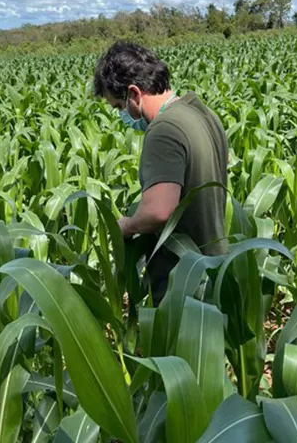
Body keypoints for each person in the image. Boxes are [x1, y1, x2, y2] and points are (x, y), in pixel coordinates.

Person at [94, 41, 228, 305]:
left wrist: (126, 226)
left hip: (183, 281)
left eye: (119, 106)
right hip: (214, 266)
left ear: (133, 93)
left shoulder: (164, 129)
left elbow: (159, 211)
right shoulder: (201, 112)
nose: (123, 115)